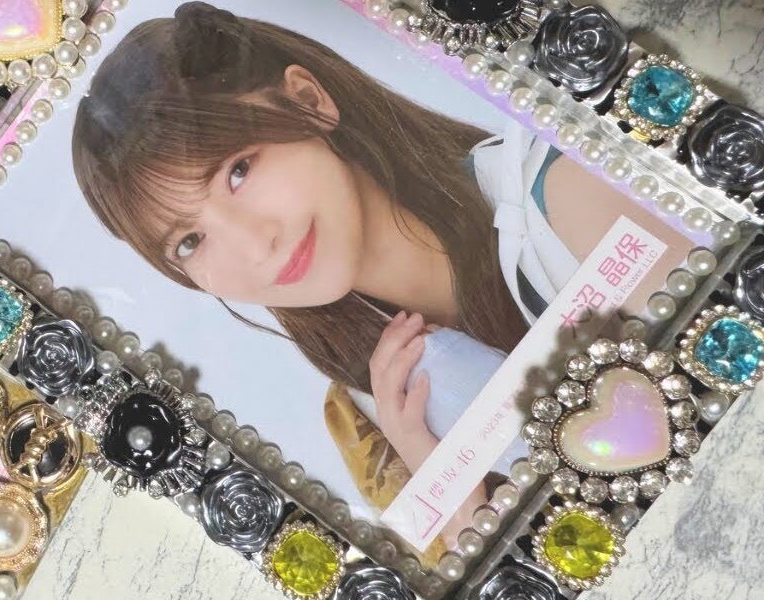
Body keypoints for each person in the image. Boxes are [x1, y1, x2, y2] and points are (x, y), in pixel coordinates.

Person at [70, 1, 686, 554]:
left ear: (308, 100)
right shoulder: (373, 416)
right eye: (190, 241)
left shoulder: (563, 195)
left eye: (238, 171)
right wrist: (449, 486)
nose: (254, 246)